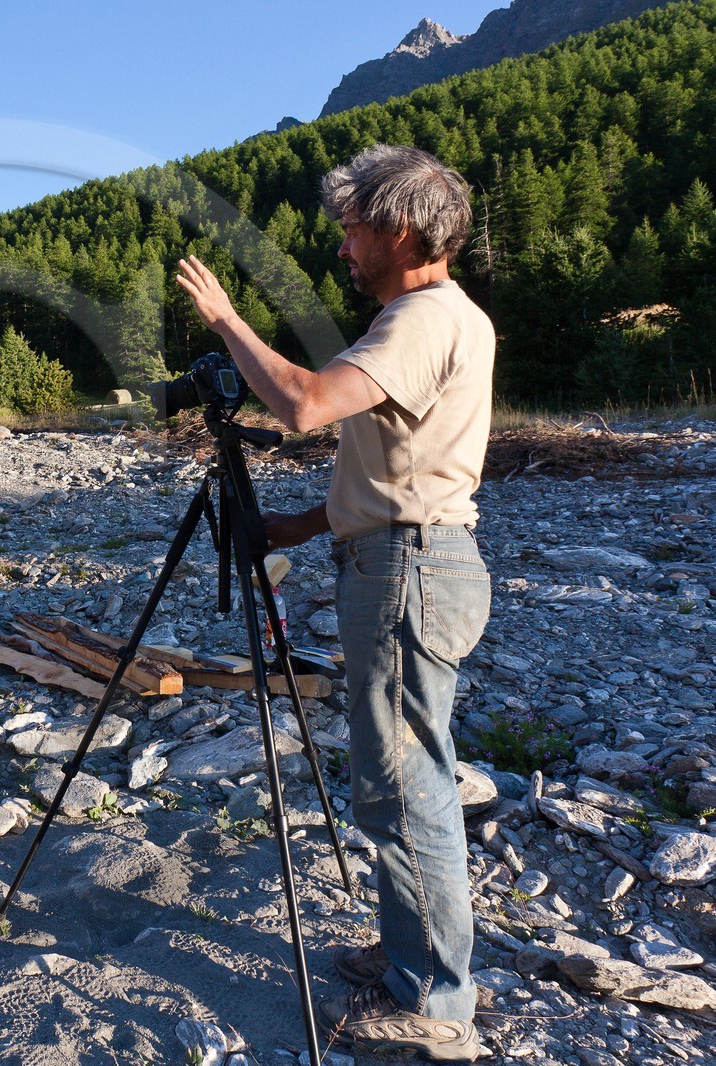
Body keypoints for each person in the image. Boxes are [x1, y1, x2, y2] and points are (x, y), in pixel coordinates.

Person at [175, 143, 492, 1063]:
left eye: (353, 230)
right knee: (395, 778)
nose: (345, 249)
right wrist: (295, 527)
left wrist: (229, 321)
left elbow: (308, 405)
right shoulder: (440, 319)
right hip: (406, 558)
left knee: (404, 784)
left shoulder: (421, 319)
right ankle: (411, 962)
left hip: (408, 572)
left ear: (400, 229)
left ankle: (436, 1002)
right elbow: (396, 471)